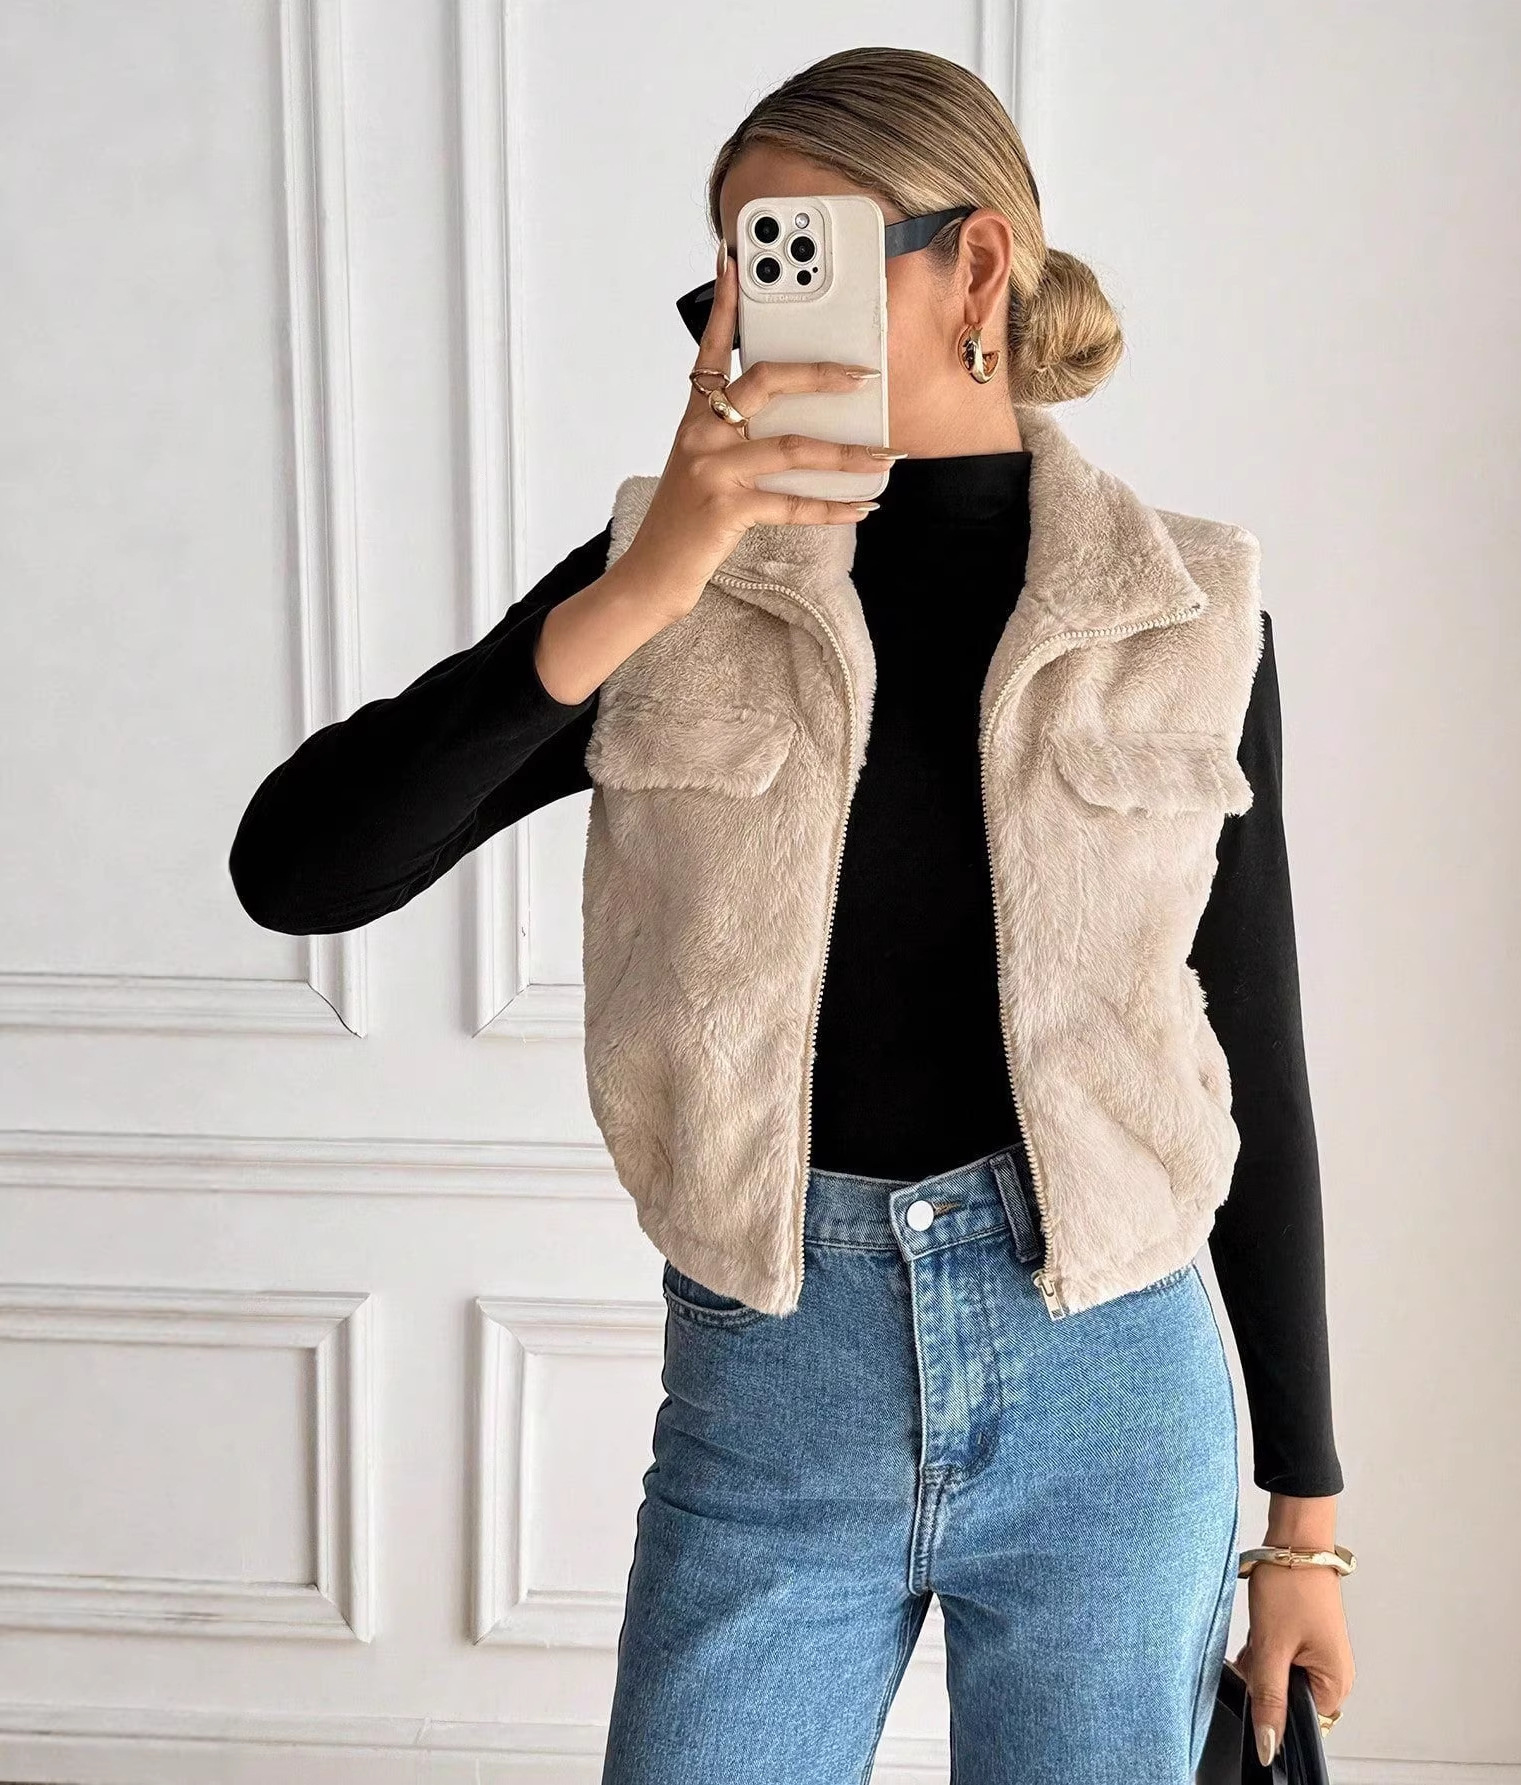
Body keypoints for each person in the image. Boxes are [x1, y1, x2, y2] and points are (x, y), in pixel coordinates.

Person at [231, 45, 1355, 1782]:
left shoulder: (1188, 611)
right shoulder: (665, 583)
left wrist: (1305, 1524)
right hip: (770, 1381)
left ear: (976, 266)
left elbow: (1251, 1057)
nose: (754, 323)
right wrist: (645, 585)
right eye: (734, 277)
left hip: (1114, 1394)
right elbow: (300, 867)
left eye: (798, 256)